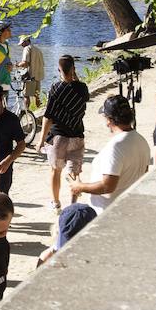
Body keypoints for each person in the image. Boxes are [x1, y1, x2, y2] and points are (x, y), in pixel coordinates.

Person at [69, 95, 150, 212]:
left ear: (109, 120)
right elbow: (143, 174)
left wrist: (79, 186)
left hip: (107, 212)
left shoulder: (116, 147)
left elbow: (108, 186)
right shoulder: (141, 140)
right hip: (129, 208)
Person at [37, 54, 90, 211]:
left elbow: (48, 116)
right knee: (74, 172)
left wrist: (40, 140)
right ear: (73, 68)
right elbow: (83, 95)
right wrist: (75, 76)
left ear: (59, 69)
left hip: (58, 136)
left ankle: (56, 203)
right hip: (77, 136)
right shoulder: (83, 88)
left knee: (55, 170)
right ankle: (73, 204)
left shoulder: (55, 88)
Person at [15, 35, 45, 108]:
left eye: (22, 43)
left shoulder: (27, 48)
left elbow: (25, 63)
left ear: (26, 42)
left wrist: (17, 65)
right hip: (38, 77)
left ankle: (26, 113)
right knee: (37, 96)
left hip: (30, 76)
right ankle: (39, 110)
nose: (22, 45)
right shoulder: (38, 50)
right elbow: (43, 64)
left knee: (26, 96)